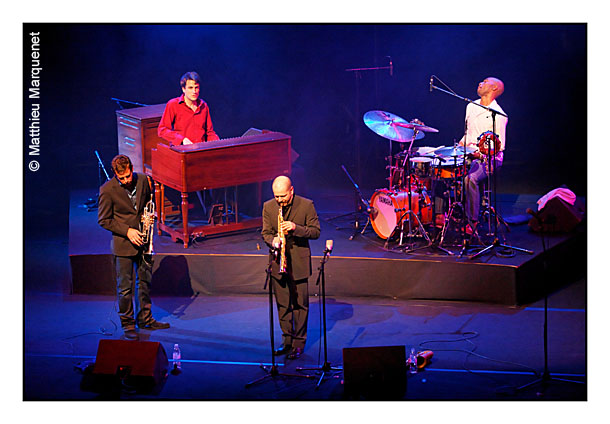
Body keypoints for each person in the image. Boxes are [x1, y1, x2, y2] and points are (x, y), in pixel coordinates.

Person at [98, 154, 170, 340]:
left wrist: (151, 215)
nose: (126, 181)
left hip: (144, 241)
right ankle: (128, 324)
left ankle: (145, 318)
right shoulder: (107, 189)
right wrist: (127, 231)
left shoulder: (144, 180)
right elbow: (104, 220)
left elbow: (148, 202)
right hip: (123, 244)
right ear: (115, 174)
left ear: (131, 168)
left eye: (128, 176)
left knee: (144, 282)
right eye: (121, 178)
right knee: (125, 288)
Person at [261, 176, 320, 360]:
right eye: (277, 196)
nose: (280, 200)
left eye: (283, 196)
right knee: (283, 304)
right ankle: (286, 341)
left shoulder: (306, 205)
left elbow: (315, 231)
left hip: (299, 263)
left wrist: (296, 228)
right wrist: (273, 241)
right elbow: (266, 233)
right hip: (278, 262)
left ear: (291, 190)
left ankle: (298, 343)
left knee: (300, 305)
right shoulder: (268, 207)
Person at [459, 77, 508, 231]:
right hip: (468, 153)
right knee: (441, 168)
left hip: (490, 158)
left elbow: (498, 146)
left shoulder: (499, 115)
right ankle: (441, 216)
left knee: (470, 179)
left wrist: (478, 154)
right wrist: (459, 147)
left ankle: (472, 221)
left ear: (494, 88)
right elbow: (468, 133)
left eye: (485, 81)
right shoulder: (470, 107)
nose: (480, 82)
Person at [158, 71, 220, 145]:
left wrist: (218, 143)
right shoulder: (173, 104)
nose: (194, 91)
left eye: (196, 87)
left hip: (200, 149)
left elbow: (209, 133)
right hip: (182, 151)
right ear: (183, 89)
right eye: (190, 88)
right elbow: (162, 130)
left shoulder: (203, 106)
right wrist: (182, 139)